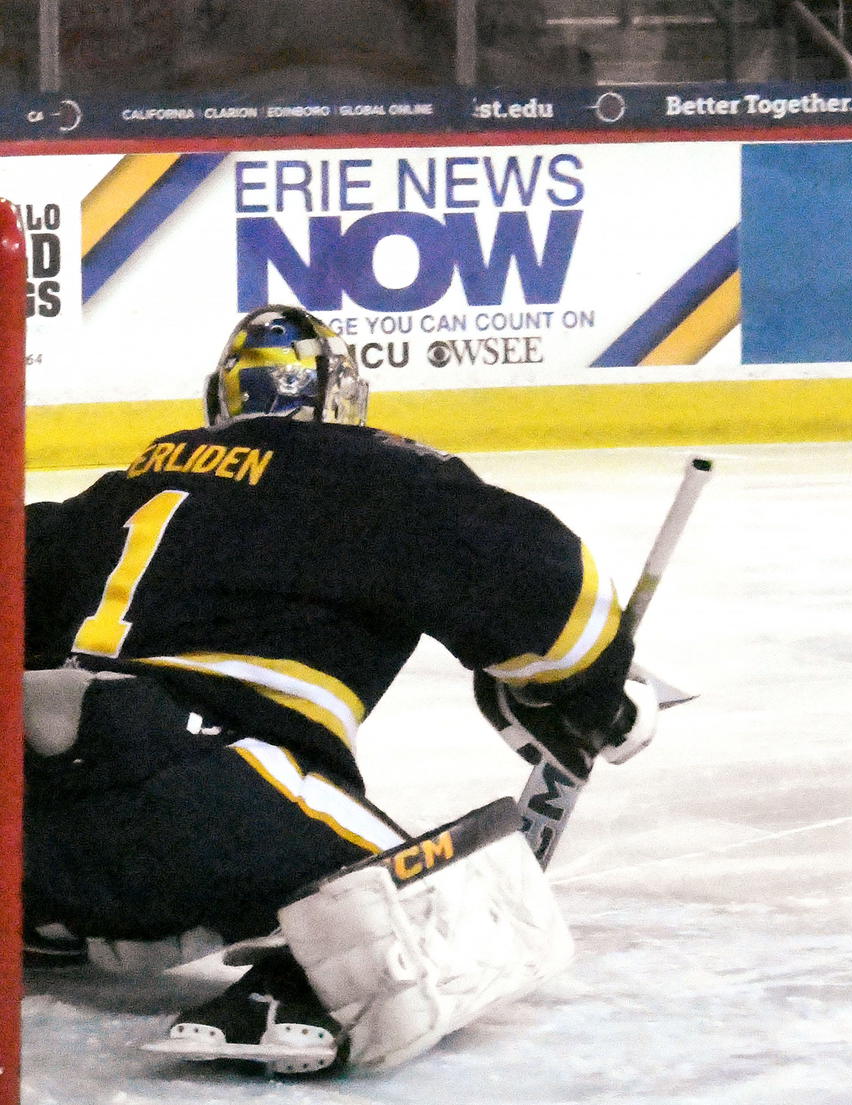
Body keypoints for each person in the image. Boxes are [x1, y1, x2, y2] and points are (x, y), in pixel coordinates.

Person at [23, 304, 658, 1074]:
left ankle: (48, 914)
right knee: (458, 902)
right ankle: (292, 994)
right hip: (184, 772)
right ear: (340, 400)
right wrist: (592, 687)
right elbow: (557, 598)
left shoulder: (120, 487)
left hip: (25, 792)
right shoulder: (366, 470)